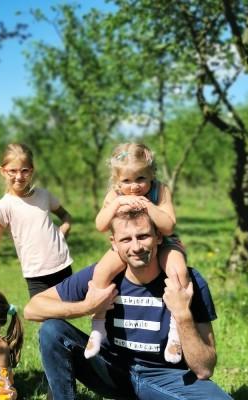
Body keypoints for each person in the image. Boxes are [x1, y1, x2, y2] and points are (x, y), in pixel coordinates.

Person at [24, 210, 233, 400]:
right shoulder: (102, 276)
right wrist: (88, 307)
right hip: (111, 370)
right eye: (126, 239)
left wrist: (183, 315)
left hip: (165, 378)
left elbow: (204, 369)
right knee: (52, 330)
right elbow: (32, 309)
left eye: (143, 236)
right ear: (114, 243)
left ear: (158, 237)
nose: (136, 247)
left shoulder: (188, 282)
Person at [86, 143, 189, 363]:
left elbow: (168, 226)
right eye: (126, 181)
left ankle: (175, 331)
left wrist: (147, 206)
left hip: (164, 242)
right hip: (128, 244)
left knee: (178, 271)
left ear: (152, 174)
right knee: (101, 272)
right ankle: (98, 326)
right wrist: (117, 203)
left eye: (141, 178)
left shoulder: (160, 190)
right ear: (117, 181)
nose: (134, 187)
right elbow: (101, 225)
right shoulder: (114, 194)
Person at [0, 143, 73, 299]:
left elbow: (66, 215)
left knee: (64, 315)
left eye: (24, 171)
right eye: (12, 171)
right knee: (46, 318)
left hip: (62, 267)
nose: (19, 177)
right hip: (36, 276)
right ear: (3, 171)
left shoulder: (44, 196)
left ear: (32, 171)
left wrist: (63, 232)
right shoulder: (4, 206)